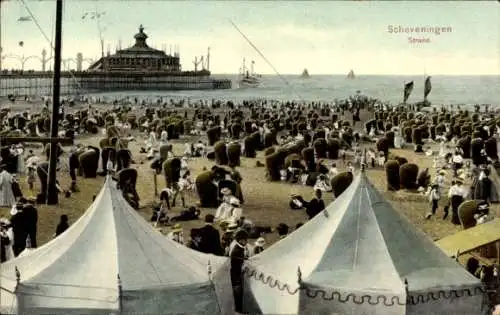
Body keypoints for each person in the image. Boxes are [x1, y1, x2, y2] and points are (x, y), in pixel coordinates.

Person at [229, 229, 249, 313]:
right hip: (236, 275)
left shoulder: (239, 248)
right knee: (238, 293)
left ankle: (239, 310)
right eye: (245, 239)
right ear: (240, 240)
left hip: (237, 274)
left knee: (239, 293)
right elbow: (237, 260)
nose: (246, 241)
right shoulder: (237, 250)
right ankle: (239, 311)